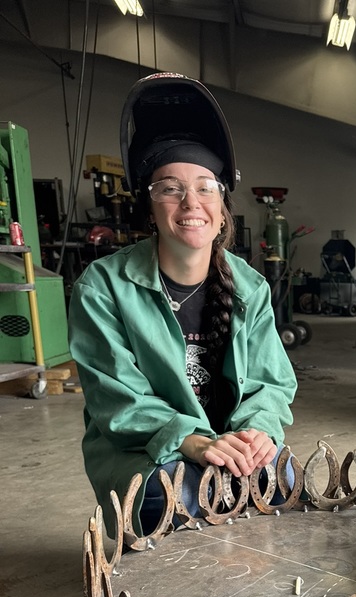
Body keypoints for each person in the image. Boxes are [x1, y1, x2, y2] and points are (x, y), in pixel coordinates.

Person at [68, 73, 297, 537]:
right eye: (170, 188)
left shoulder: (248, 287)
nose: (190, 201)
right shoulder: (104, 286)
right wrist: (191, 442)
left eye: (205, 186)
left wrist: (258, 434)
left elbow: (272, 383)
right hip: (146, 449)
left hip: (229, 446)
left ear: (222, 203)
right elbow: (118, 402)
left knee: (281, 481)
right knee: (176, 495)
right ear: (149, 205)